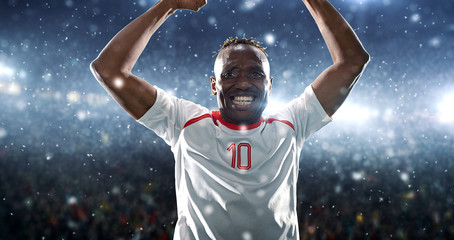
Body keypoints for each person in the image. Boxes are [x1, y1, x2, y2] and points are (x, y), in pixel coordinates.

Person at [90, 0, 369, 239]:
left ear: (270, 84)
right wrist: (168, 5)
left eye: (256, 74)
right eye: (230, 73)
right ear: (214, 85)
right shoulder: (183, 121)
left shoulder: (292, 123)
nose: (244, 83)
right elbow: (108, 69)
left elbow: (353, 61)